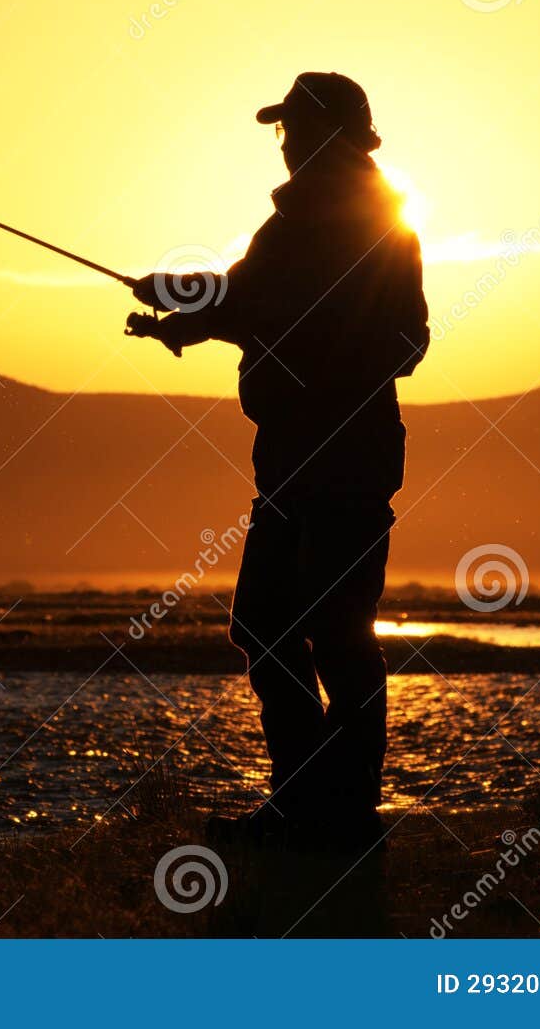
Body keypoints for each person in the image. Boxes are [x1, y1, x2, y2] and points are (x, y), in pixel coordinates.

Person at [126, 71, 429, 851]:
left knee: (334, 632)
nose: (285, 142)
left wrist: (266, 329)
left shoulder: (379, 230)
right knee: (267, 625)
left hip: (347, 463)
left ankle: (336, 808)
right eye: (282, 129)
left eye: (294, 127)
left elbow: (407, 341)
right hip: (291, 465)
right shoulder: (293, 225)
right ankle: (312, 802)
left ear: (330, 136)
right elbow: (244, 300)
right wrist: (177, 309)